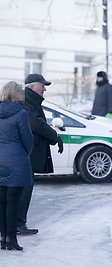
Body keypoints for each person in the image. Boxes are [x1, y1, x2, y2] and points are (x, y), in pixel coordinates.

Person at [16, 74, 64, 235]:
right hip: (25, 153)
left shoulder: (30, 101)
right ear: (32, 87)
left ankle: (18, 223)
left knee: (24, 188)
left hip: (26, 152)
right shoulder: (27, 102)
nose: (44, 89)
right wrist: (55, 136)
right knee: (24, 188)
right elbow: (36, 124)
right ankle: (18, 224)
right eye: (42, 85)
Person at [0, 81, 33, 251]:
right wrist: (26, 153)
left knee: (2, 202)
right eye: (21, 92)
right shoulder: (21, 113)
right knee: (13, 202)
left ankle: (2, 238)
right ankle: (11, 240)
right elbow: (27, 141)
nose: (23, 95)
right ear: (15, 94)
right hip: (16, 163)